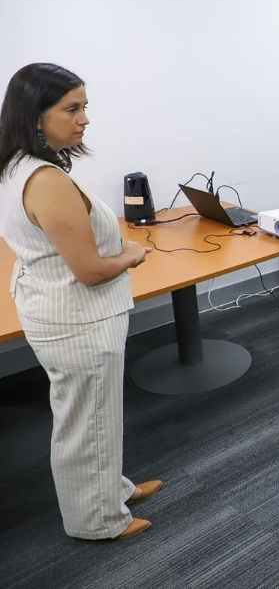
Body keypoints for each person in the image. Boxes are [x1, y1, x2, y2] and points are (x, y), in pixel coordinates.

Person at [0, 63, 162, 540]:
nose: (85, 119)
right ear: (35, 116)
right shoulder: (45, 180)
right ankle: (96, 522)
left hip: (61, 310)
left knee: (94, 417)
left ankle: (111, 491)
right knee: (86, 423)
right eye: (72, 109)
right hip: (78, 319)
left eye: (85, 107)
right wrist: (130, 254)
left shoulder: (17, 166)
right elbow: (90, 270)